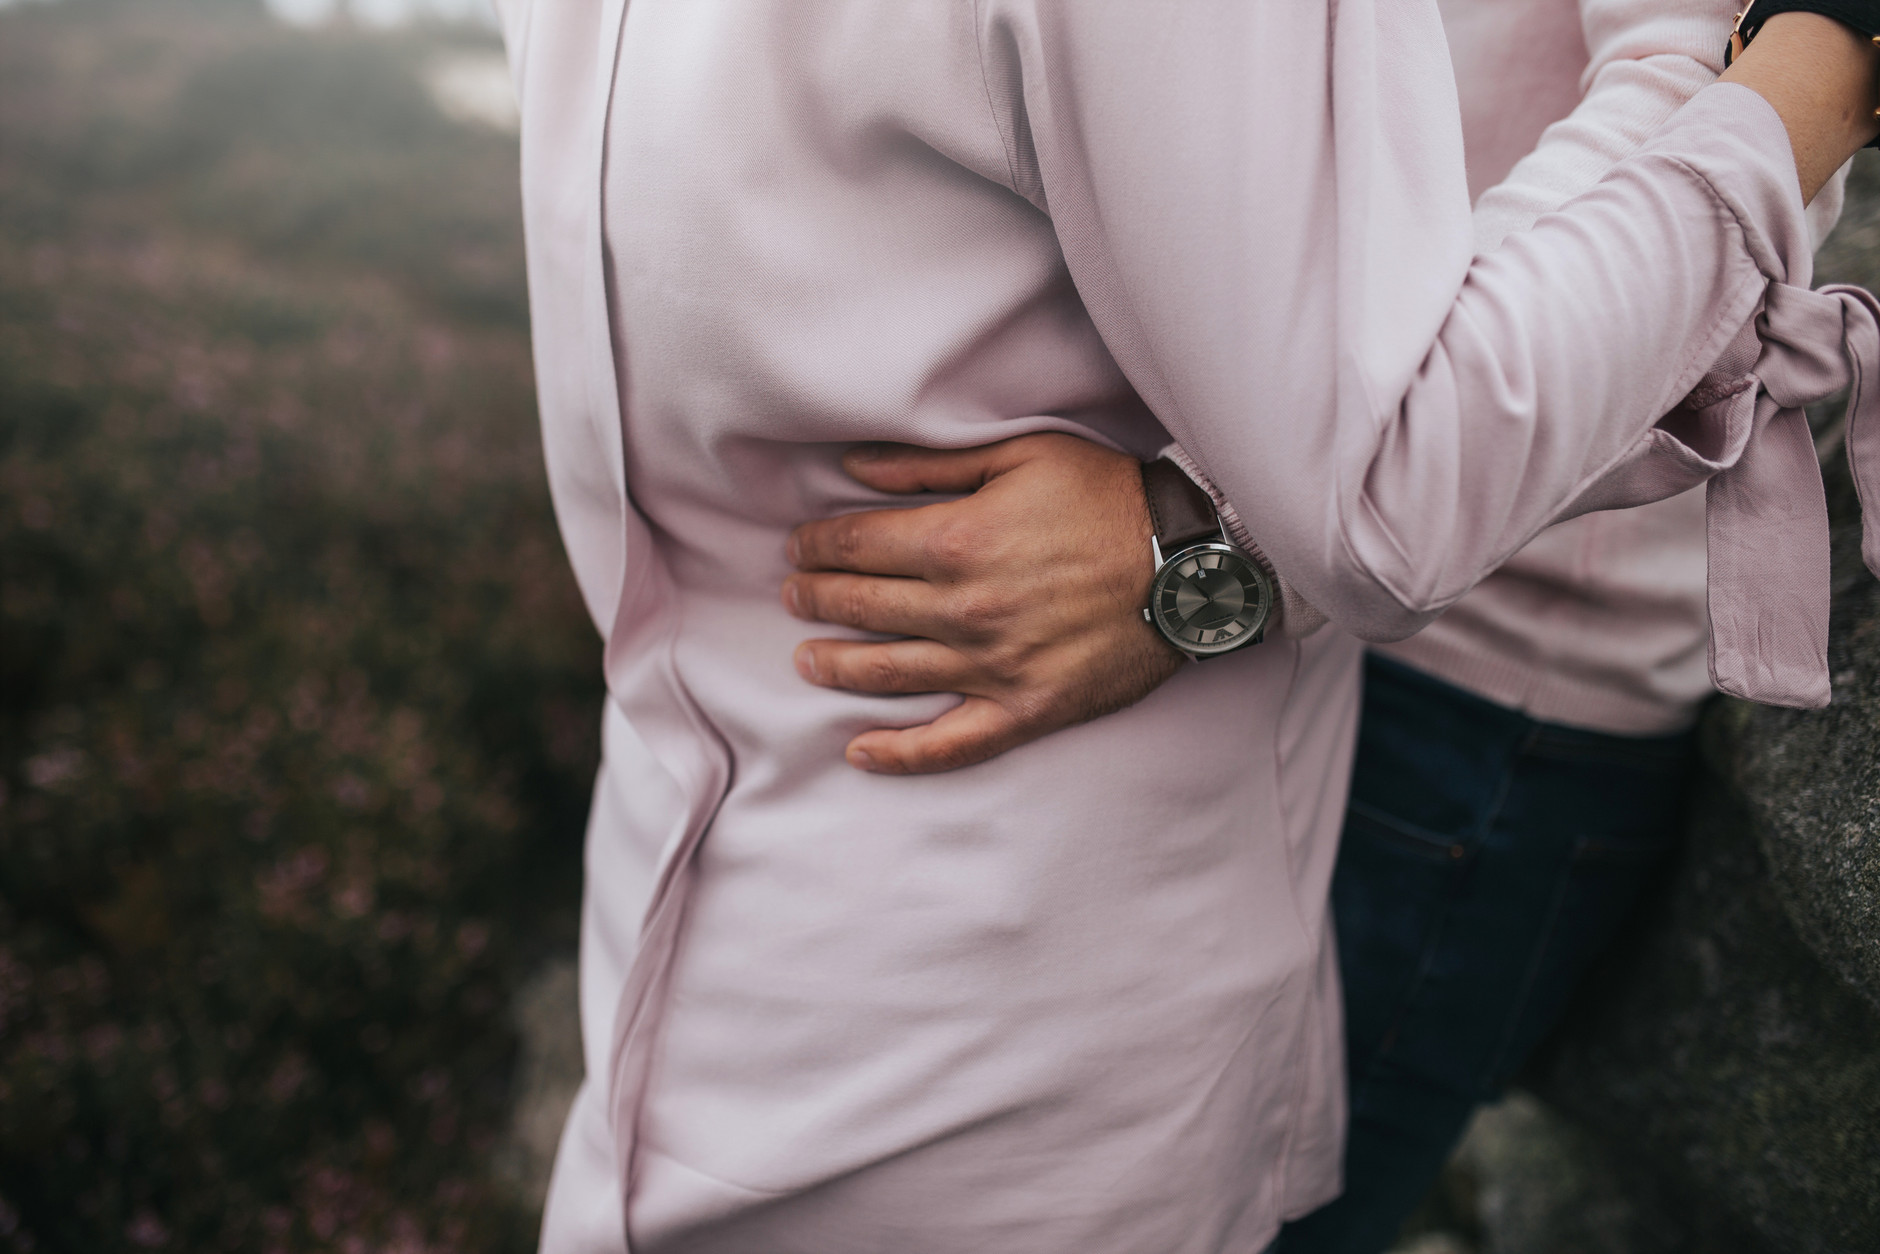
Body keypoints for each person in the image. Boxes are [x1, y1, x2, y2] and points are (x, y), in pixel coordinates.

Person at [487, 0, 1880, 1247]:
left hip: (1468, 669)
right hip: (1019, 931)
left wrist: (1206, 523)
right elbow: (1397, 466)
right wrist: (1817, 65)